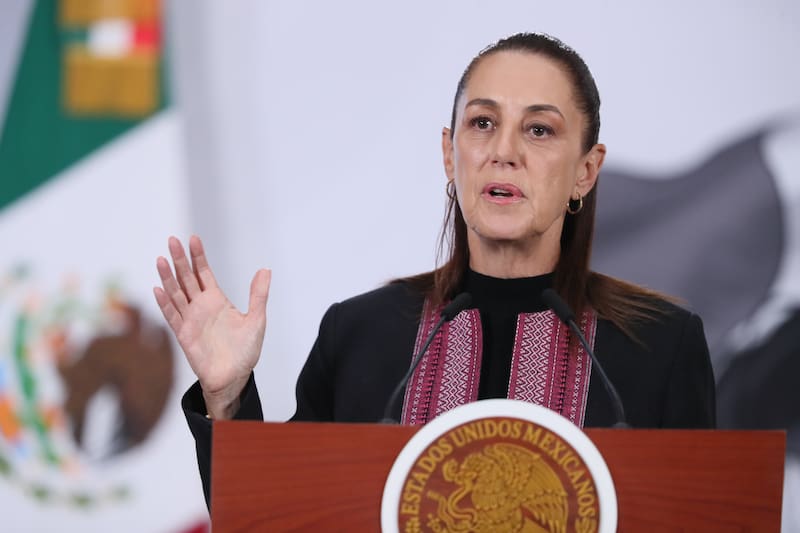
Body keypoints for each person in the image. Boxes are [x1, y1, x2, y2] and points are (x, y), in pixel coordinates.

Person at [154, 32, 716, 507]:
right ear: (450, 154)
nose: (504, 151)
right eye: (482, 123)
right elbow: (283, 517)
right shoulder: (360, 335)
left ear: (586, 172)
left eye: (539, 130)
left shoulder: (658, 345)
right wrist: (226, 399)